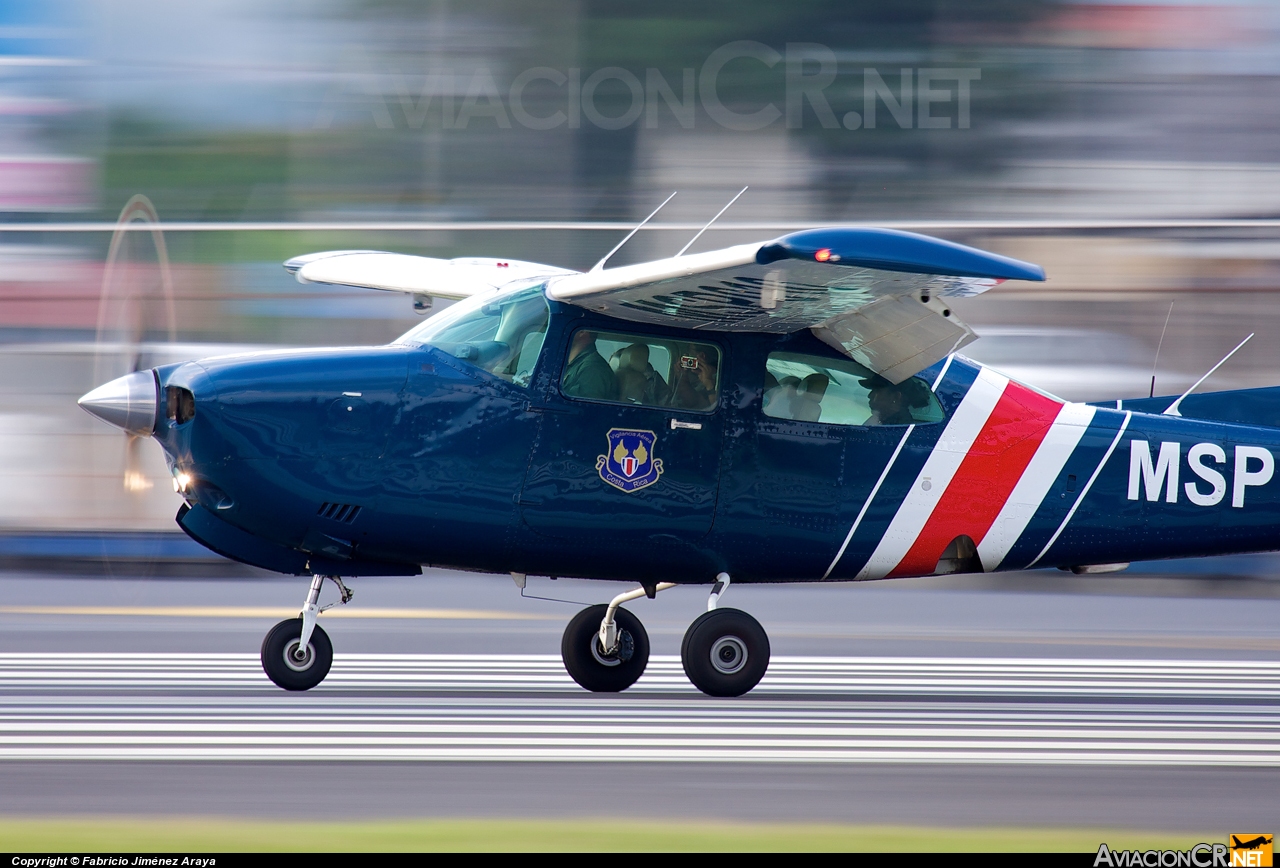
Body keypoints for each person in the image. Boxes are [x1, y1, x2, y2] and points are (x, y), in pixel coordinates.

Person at [561, 330, 616, 400]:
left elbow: (583, 408)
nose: (556, 333)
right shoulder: (575, 365)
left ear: (582, 332)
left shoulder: (593, 369)